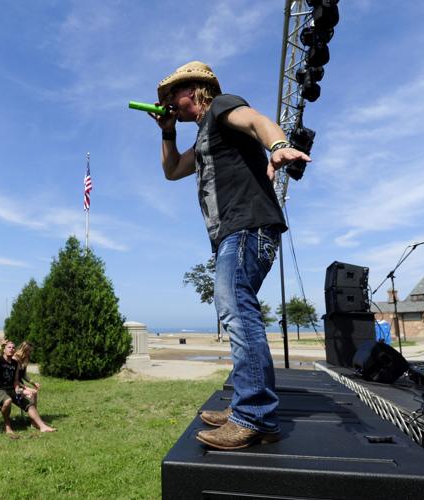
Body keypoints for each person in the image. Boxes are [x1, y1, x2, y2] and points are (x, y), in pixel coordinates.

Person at [150, 61, 310, 450]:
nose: (169, 101)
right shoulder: (205, 135)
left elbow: (257, 121)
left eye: (173, 93)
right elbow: (172, 170)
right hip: (233, 233)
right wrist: (167, 132)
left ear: (194, 89)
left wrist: (278, 145)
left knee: (236, 308)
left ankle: (253, 414)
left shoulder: (222, 106)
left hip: (247, 226)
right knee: (236, 308)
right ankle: (248, 403)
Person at [0, 340, 55, 435]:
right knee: (8, 401)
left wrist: (17, 389)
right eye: (9, 347)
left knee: (29, 404)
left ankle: (42, 426)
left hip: (10, 389)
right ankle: (7, 425)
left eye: (13, 347)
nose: (11, 349)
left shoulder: (15, 363)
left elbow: (15, 380)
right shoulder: (0, 360)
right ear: (4, 350)